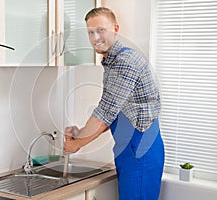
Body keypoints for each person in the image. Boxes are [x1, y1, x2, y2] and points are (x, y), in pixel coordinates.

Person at [63, 7, 164, 200]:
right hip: (128, 149)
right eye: (90, 32)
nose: (95, 38)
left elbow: (105, 112)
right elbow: (113, 113)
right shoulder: (111, 61)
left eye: (101, 30)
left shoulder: (125, 62)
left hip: (141, 150)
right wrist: (80, 133)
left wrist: (78, 144)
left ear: (115, 28)